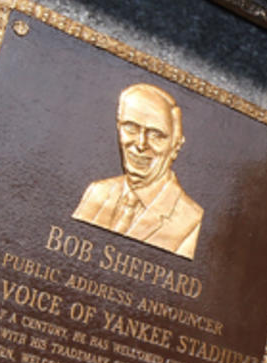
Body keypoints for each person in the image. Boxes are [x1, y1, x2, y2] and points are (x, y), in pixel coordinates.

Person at [72, 83, 204, 258]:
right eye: (131, 128)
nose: (141, 144)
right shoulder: (96, 193)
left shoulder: (190, 221)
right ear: (119, 129)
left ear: (176, 145)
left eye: (156, 135)